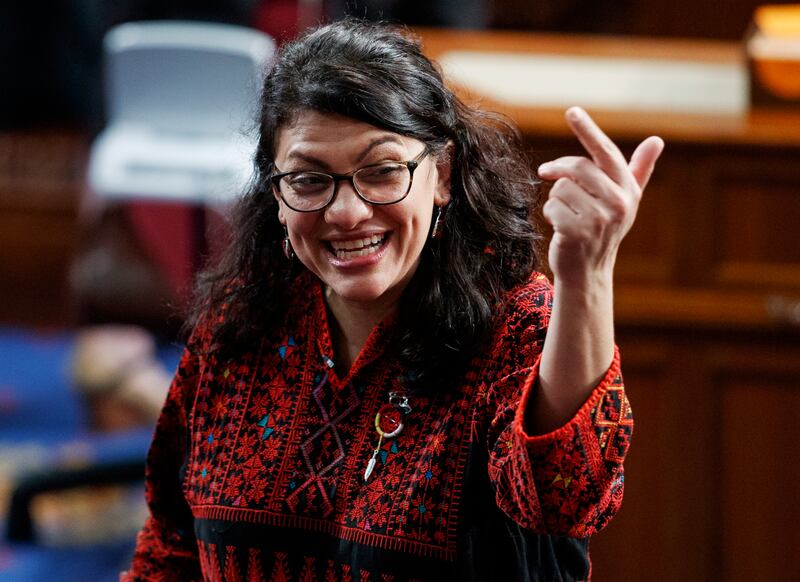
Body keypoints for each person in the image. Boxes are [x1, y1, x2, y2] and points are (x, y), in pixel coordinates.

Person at [122, 18, 663, 581]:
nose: (347, 213)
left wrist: (588, 274)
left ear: (443, 175)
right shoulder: (241, 323)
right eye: (308, 180)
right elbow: (170, 547)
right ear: (276, 194)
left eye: (381, 172)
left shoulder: (513, 325)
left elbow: (565, 499)